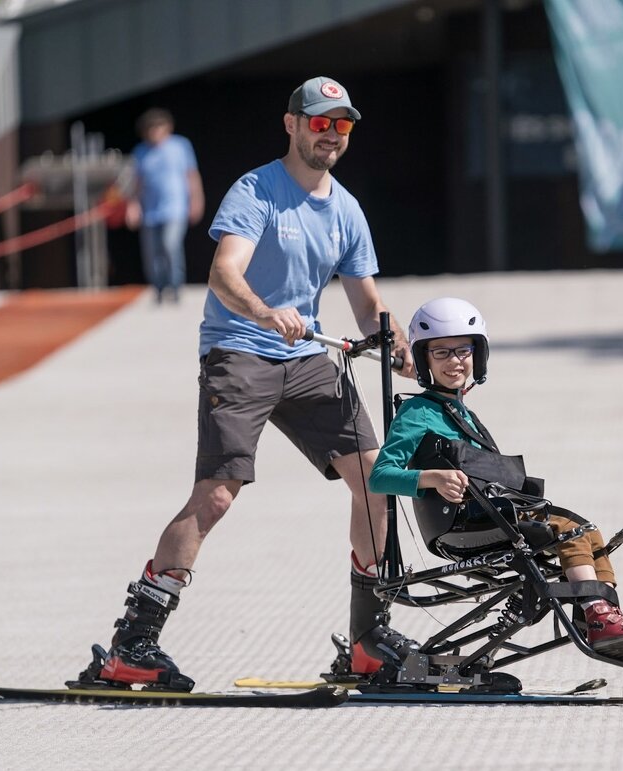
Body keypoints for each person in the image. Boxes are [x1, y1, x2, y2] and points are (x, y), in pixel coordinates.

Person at [74, 77, 415, 692]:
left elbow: (368, 307)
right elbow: (224, 273)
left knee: (376, 481)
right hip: (240, 351)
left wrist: (399, 345)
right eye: (320, 122)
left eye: (341, 125)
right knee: (217, 496)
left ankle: (367, 642)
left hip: (307, 357)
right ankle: (133, 646)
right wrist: (263, 311)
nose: (331, 135)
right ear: (292, 124)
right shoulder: (257, 190)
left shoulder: (346, 210)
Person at [368, 297, 623, 660]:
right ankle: (598, 620)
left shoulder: (463, 414)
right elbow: (380, 477)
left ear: (478, 355)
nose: (454, 361)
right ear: (424, 360)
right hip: (461, 526)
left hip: (490, 517)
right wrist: (431, 477)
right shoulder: (417, 411)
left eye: (463, 350)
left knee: (588, 532)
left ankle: (601, 617)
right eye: (441, 353)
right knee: (571, 530)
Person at [124, 108, 205, 304]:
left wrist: (196, 200)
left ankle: (175, 286)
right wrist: (133, 206)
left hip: (175, 207)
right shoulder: (140, 152)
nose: (155, 131)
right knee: (152, 252)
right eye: (150, 128)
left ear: (168, 127)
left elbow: (191, 175)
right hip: (150, 210)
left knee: (170, 245)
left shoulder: (180, 146)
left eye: (158, 127)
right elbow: (136, 183)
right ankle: (159, 288)